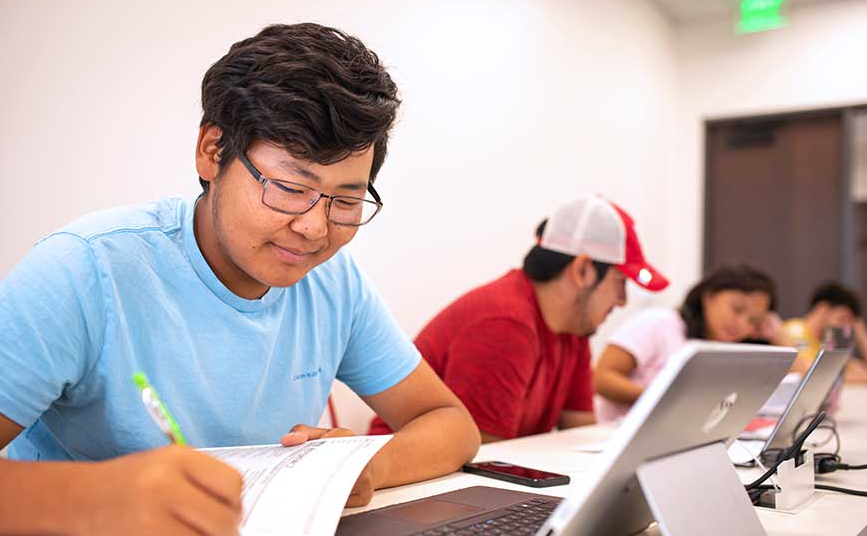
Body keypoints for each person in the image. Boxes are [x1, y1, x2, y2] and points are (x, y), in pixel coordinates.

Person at [0, 23, 480, 536]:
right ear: (213, 152)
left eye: (345, 201)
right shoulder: (89, 267)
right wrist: (86, 501)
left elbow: (450, 425)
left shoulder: (334, 282)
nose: (314, 228)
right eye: (290, 188)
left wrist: (364, 465)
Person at [369, 196, 668, 442]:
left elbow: (580, 434)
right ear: (583, 271)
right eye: (620, 283)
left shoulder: (574, 331)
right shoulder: (505, 322)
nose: (622, 301)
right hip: (407, 483)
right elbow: (484, 458)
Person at [594, 264, 797, 422]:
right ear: (708, 297)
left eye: (754, 320)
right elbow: (601, 378)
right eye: (736, 309)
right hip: (613, 436)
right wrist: (668, 400)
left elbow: (807, 387)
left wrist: (780, 338)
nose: (742, 324)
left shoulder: (736, 351)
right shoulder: (660, 323)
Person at [784, 282, 867, 383]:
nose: (845, 328)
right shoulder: (793, 332)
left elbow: (862, 371)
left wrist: (861, 334)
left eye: (850, 323)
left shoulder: (827, 343)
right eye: (841, 319)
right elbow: (812, 374)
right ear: (822, 309)